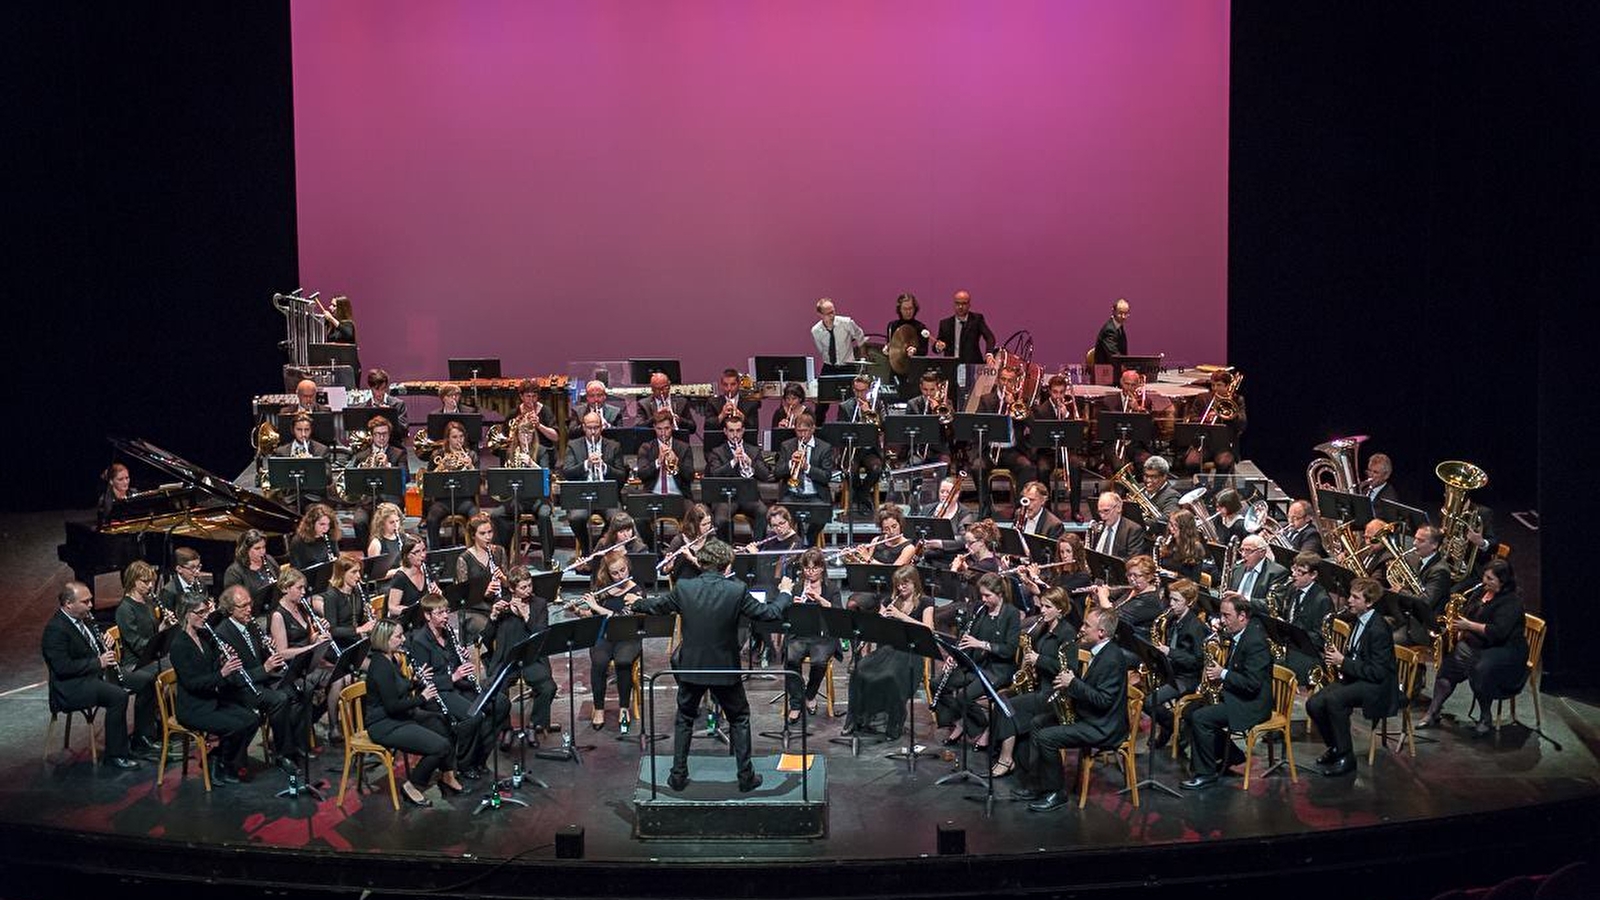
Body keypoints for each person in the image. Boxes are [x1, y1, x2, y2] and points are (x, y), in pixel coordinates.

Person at [631, 539, 794, 792]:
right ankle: (745, 777)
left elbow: (657, 607)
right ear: (726, 565)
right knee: (739, 718)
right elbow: (769, 614)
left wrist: (635, 602)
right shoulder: (736, 590)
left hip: (692, 668)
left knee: (684, 719)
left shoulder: (684, 587)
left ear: (702, 563)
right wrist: (785, 593)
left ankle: (677, 776)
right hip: (724, 669)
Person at [1011, 607, 1129, 811]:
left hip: (1102, 726)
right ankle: (1039, 785)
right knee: (1037, 722)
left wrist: (1072, 683)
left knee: (1047, 737)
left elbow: (1103, 701)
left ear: (1101, 632)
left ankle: (1056, 793)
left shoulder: (1112, 658)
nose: (1081, 628)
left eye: (1087, 626)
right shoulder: (1100, 652)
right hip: (1090, 715)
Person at [1418, 558, 1527, 735]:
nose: (1485, 581)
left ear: (1503, 581)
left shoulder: (1511, 602)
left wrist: (1468, 626)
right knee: (1449, 666)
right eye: (1485, 576)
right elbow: (1468, 613)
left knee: (1481, 669)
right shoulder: (1480, 593)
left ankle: (1485, 717)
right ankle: (1433, 711)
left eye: (1490, 579)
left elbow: (1498, 632)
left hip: (1504, 650)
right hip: (1477, 644)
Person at [364, 618, 465, 807]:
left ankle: (447, 775)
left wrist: (417, 681)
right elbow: (392, 706)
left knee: (444, 723)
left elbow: (399, 688)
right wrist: (422, 698)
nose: (403, 639)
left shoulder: (392, 658)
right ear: (385, 640)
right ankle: (413, 785)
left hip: (400, 716)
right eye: (398, 636)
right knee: (440, 746)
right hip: (384, 724)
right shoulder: (380, 666)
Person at [1306, 577, 1400, 777]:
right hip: (1357, 677)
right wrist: (1339, 658)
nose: (1349, 600)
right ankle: (1335, 747)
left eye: (1356, 598)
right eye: (1350, 595)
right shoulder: (1359, 619)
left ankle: (1346, 757)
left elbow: (1378, 672)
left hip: (1377, 686)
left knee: (1335, 700)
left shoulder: (1379, 629)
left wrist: (1343, 662)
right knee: (1313, 703)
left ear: (1369, 602)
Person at [1180, 591, 1273, 789]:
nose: (1222, 620)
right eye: (1221, 615)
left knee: (1201, 718)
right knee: (1189, 711)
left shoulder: (1256, 642)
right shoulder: (1238, 633)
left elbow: (1252, 684)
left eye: (1226, 616)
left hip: (1251, 704)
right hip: (1236, 694)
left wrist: (1222, 673)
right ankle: (1232, 754)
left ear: (1242, 616)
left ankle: (1205, 773)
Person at [43, 581, 140, 769]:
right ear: (68, 604)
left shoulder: (84, 618)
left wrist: (105, 641)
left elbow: (90, 645)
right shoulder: (56, 630)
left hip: (94, 675)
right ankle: (115, 755)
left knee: (146, 680)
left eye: (90, 600)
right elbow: (62, 667)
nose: (91, 605)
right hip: (71, 687)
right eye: (85, 602)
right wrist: (98, 662)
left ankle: (143, 738)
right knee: (118, 696)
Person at [168, 594, 261, 785]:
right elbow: (193, 683)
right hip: (193, 708)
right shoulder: (179, 645)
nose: (205, 617)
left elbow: (210, 669)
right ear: (187, 614)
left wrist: (222, 661)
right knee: (235, 727)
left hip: (211, 700)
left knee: (252, 719)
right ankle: (224, 763)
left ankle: (218, 758)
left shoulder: (203, 637)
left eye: (206, 612)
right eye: (200, 612)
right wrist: (223, 673)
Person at [990, 586, 1079, 777]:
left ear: (1060, 609)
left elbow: (1070, 669)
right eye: (1042, 606)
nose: (1042, 610)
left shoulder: (1067, 633)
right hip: (1039, 686)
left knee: (1008, 707)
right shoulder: (1043, 628)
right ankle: (1009, 754)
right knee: (1001, 699)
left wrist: (1039, 660)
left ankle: (1006, 759)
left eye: (1048, 607)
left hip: (1053, 694)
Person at [408, 592, 499, 780]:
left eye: (446, 611)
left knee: (499, 703)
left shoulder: (448, 632)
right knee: (473, 716)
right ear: (427, 616)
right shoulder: (420, 642)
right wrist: (454, 676)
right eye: (440, 613)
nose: (445, 617)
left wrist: (461, 658)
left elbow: (452, 663)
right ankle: (464, 764)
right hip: (438, 693)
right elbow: (425, 681)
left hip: (457, 686)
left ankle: (480, 757)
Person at [216, 584, 305, 774]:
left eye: (250, 604)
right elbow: (235, 676)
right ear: (230, 609)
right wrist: (265, 668)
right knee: (280, 699)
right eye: (243, 606)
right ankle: (283, 754)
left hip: (259, 680)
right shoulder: (223, 634)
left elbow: (257, 657)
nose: (249, 609)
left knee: (296, 691)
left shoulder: (251, 625)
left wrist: (268, 649)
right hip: (239, 689)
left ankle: (292, 743)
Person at [844, 563, 934, 740]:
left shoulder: (926, 602)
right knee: (859, 670)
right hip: (888, 649)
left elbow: (928, 629)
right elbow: (879, 630)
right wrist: (881, 620)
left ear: (915, 582)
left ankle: (895, 723)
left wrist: (901, 616)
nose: (901, 588)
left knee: (891, 675)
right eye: (898, 584)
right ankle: (856, 719)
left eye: (905, 584)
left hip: (911, 652)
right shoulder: (890, 601)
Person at [933, 573, 1020, 747]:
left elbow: (1009, 649)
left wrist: (982, 644)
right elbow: (967, 637)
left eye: (988, 595)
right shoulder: (981, 610)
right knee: (937, 684)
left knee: (964, 697)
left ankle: (982, 727)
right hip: (976, 664)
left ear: (1000, 594)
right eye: (982, 595)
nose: (983, 599)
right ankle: (960, 722)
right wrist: (955, 656)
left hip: (997, 669)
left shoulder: (1011, 613)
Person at [568, 549, 646, 733]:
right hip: (605, 636)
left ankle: (624, 708)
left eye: (623, 570)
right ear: (608, 574)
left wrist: (596, 607)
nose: (620, 576)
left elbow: (622, 618)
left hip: (628, 636)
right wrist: (577, 611)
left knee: (623, 661)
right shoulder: (603, 589)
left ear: (628, 567)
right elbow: (591, 615)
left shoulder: (636, 591)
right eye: (615, 573)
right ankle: (599, 708)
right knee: (599, 662)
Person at [479, 567, 558, 738]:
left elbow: (542, 635)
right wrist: (493, 616)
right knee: (496, 689)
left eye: (530, 585)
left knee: (548, 687)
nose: (528, 590)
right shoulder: (502, 604)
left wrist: (526, 616)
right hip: (507, 660)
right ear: (512, 589)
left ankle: (534, 725)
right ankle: (505, 728)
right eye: (523, 587)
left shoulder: (539, 604)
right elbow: (486, 638)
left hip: (531, 659)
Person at [113, 561, 169, 755]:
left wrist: (164, 628)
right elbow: (136, 643)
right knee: (150, 680)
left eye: (151, 581)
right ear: (133, 581)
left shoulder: (148, 602)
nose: (150, 585)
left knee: (178, 664)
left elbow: (152, 633)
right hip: (132, 664)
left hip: (148, 657)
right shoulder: (125, 609)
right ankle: (142, 736)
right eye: (145, 581)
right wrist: (157, 640)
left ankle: (163, 723)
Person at [1146, 579, 1210, 748]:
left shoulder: (1196, 627)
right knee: (1146, 697)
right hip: (1172, 672)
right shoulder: (1172, 619)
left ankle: (1172, 727)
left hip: (1187, 678)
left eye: (1176, 600)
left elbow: (1197, 661)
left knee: (1150, 702)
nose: (1171, 604)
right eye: (1171, 599)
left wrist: (1169, 652)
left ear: (1189, 602)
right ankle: (1172, 725)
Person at [781, 548, 841, 723]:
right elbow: (786, 613)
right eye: (807, 568)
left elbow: (838, 613)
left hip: (823, 635)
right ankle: (796, 704)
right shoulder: (797, 587)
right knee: (790, 658)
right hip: (801, 634)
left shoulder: (831, 588)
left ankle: (809, 694)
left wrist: (820, 599)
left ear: (822, 568)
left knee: (820, 660)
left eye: (814, 568)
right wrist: (793, 605)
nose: (810, 572)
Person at [560, 410, 626, 556]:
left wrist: (605, 467)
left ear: (601, 427)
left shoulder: (613, 446)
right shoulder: (573, 445)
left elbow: (622, 476)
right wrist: (586, 464)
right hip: (582, 496)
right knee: (576, 518)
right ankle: (587, 549)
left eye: (596, 427)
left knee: (617, 519)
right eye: (589, 428)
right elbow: (567, 472)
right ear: (583, 427)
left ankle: (600, 546)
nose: (593, 431)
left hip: (607, 496)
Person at [703, 412, 771, 541]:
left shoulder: (753, 450)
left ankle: (757, 546)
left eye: (738, 430)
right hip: (725, 497)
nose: (735, 435)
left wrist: (750, 462)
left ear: (743, 430)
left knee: (763, 512)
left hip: (748, 496)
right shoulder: (717, 452)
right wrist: (733, 462)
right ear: (725, 431)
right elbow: (714, 474)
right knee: (721, 519)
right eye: (731, 431)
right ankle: (727, 549)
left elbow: (765, 475)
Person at [1029, 374, 1086, 521]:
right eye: (1055, 392)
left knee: (1076, 465)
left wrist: (1066, 415)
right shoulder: (1041, 410)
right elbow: (1037, 437)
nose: (1058, 396)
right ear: (1049, 391)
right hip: (1047, 452)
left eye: (1061, 392)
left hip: (1065, 450)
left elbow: (1077, 433)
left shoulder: (1071, 407)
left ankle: (1075, 510)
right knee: (1042, 469)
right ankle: (1046, 511)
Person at [347, 414, 408, 544]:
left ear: (389, 435)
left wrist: (388, 466)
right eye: (377, 434)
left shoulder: (399, 453)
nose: (381, 438)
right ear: (372, 435)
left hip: (391, 500)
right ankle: (368, 552)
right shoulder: (361, 456)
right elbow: (353, 481)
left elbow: (406, 477)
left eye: (384, 434)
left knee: (388, 521)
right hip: (367, 501)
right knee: (359, 521)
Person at [775, 411, 834, 545]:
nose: (802, 435)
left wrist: (807, 467)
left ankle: (809, 540)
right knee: (782, 516)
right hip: (792, 494)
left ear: (813, 429)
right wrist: (791, 463)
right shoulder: (787, 446)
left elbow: (826, 476)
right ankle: (796, 542)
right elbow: (777, 473)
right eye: (798, 431)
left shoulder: (824, 448)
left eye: (805, 431)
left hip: (815, 495)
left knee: (821, 516)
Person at [422, 420, 480, 549]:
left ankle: (475, 551)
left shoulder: (471, 455)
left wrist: (470, 467)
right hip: (443, 500)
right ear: (448, 438)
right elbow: (429, 482)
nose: (459, 440)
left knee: (476, 517)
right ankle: (435, 553)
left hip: (465, 500)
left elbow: (478, 483)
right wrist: (441, 467)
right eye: (454, 437)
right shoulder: (438, 455)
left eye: (461, 436)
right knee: (432, 518)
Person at [834, 373, 887, 513]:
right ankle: (863, 498)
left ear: (869, 390)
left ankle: (861, 495)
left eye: (863, 391)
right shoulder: (845, 406)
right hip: (851, 449)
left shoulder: (878, 404)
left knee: (876, 468)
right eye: (856, 391)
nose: (859, 394)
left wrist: (869, 412)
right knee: (850, 470)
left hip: (870, 450)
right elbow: (840, 430)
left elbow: (885, 427)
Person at [1279, 553, 1333, 686]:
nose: (1294, 574)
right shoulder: (1293, 588)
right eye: (1294, 569)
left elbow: (1320, 637)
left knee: (1281, 665)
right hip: (1290, 644)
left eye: (1300, 572)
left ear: (1313, 575)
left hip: (1308, 652)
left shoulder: (1322, 600)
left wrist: (1293, 634)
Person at [454, 513, 508, 642]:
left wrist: (503, 579)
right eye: (482, 533)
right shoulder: (464, 559)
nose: (488, 537)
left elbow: (509, 585)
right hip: (475, 610)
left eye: (490, 532)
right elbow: (462, 597)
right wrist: (483, 592)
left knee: (514, 626)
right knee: (494, 630)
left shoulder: (499, 551)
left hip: (498, 604)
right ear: (473, 535)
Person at [1018, 534, 1092, 620]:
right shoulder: (1057, 573)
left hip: (1068, 619)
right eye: (1062, 552)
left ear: (1077, 553)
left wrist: (1036, 578)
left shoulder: (1083, 577)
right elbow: (1045, 593)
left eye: (1068, 551)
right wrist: (1027, 580)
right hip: (1051, 615)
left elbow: (1056, 596)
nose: (1064, 556)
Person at [1183, 369, 1245, 472]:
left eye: (1219, 385)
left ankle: (1219, 483)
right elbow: (1191, 418)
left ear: (1227, 386)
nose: (1215, 388)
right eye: (1213, 385)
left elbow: (1242, 424)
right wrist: (1205, 418)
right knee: (1191, 462)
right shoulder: (1202, 398)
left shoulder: (1237, 400)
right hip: (1204, 444)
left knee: (1223, 463)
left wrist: (1231, 416)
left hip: (1225, 445)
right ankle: (1200, 482)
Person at [221, 528, 281, 617]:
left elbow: (281, 582)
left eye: (263, 547)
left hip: (275, 609)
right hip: (253, 615)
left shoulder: (269, 560)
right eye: (257, 548)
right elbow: (233, 603)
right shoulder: (234, 572)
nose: (262, 552)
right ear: (245, 550)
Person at [933, 289, 996, 363]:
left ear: (969, 305)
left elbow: (990, 337)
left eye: (964, 303)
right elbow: (937, 346)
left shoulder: (976, 320)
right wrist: (938, 347)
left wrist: (989, 354)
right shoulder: (945, 324)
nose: (960, 307)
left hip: (972, 365)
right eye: (957, 303)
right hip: (951, 365)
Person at [287, 503, 341, 587]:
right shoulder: (298, 542)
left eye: (328, 524)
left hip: (329, 580)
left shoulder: (330, 536)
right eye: (322, 524)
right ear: (311, 523)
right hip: (309, 583)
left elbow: (336, 558)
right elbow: (295, 571)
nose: (326, 529)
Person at [1228, 534, 1289, 606]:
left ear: (1262, 553)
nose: (1243, 555)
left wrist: (1244, 599)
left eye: (1248, 550)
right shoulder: (1237, 568)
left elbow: (1273, 605)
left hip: (1255, 613)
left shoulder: (1277, 573)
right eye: (1241, 550)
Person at [385, 534, 432, 620]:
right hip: (406, 621)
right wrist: (416, 611)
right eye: (417, 552)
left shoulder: (426, 571)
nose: (423, 555)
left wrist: (437, 595)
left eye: (424, 550)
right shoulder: (400, 578)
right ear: (407, 555)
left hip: (423, 620)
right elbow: (392, 608)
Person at [811, 297, 867, 368]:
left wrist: (863, 355)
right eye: (828, 314)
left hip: (847, 365)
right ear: (820, 314)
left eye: (833, 312)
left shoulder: (846, 323)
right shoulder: (816, 330)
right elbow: (821, 349)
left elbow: (859, 335)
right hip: (829, 366)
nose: (832, 315)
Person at [1089, 491, 1148, 559]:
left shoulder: (1132, 530)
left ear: (1119, 508)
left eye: (1106, 511)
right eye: (1100, 512)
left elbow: (1133, 561)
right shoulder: (1099, 527)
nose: (1102, 516)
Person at [1159, 509, 1210, 585]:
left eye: (1175, 525)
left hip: (1182, 589)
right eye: (1170, 524)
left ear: (1185, 528)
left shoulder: (1195, 548)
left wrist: (1173, 575)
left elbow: (1194, 580)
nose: (1171, 529)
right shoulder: (1169, 543)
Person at [705, 368, 761, 433]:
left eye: (733, 384)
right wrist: (721, 416)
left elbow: (754, 427)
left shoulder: (751, 403)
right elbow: (707, 427)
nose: (729, 388)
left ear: (739, 384)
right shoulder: (713, 403)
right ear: (721, 385)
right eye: (725, 385)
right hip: (720, 438)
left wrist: (742, 417)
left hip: (744, 439)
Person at [158, 547, 209, 616]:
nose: (197, 572)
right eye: (192, 568)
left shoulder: (201, 585)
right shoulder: (169, 592)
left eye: (198, 567)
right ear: (179, 569)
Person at [364, 501, 406, 580]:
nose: (396, 525)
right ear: (382, 524)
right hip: (387, 584)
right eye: (391, 522)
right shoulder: (376, 544)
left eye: (397, 521)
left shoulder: (404, 538)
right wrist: (399, 571)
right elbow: (375, 576)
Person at [884, 291, 930, 358]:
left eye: (910, 308)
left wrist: (915, 351)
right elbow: (891, 345)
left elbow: (924, 351)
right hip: (897, 362)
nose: (908, 312)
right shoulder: (892, 326)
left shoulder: (921, 327)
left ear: (915, 309)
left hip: (915, 362)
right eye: (905, 309)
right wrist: (887, 349)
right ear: (900, 310)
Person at [1092, 297, 1130, 368]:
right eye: (1120, 313)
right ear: (1114, 311)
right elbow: (1114, 356)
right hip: (1105, 371)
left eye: (1125, 313)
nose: (1123, 316)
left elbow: (1123, 353)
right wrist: (1127, 367)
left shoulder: (1119, 327)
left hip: (1114, 368)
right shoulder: (1109, 330)